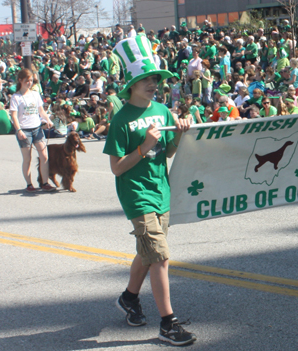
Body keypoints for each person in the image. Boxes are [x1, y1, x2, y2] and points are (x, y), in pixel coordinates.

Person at [102, 35, 197, 346]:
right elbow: (116, 168)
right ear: (131, 84)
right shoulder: (120, 121)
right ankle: (168, 324)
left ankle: (130, 298)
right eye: (146, 79)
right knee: (160, 258)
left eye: (156, 77)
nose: (154, 83)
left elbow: (168, 152)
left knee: (149, 253)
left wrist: (180, 134)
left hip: (161, 191)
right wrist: (144, 147)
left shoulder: (162, 110)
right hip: (137, 195)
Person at [9, 69, 55, 192]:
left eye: (31, 81)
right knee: (27, 158)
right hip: (24, 130)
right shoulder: (16, 97)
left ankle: (45, 182)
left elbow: (41, 111)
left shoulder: (35, 94)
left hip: (37, 128)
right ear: (20, 80)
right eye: (26, 81)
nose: (29, 83)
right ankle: (29, 184)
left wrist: (47, 120)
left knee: (44, 156)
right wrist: (19, 130)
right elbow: (14, 116)